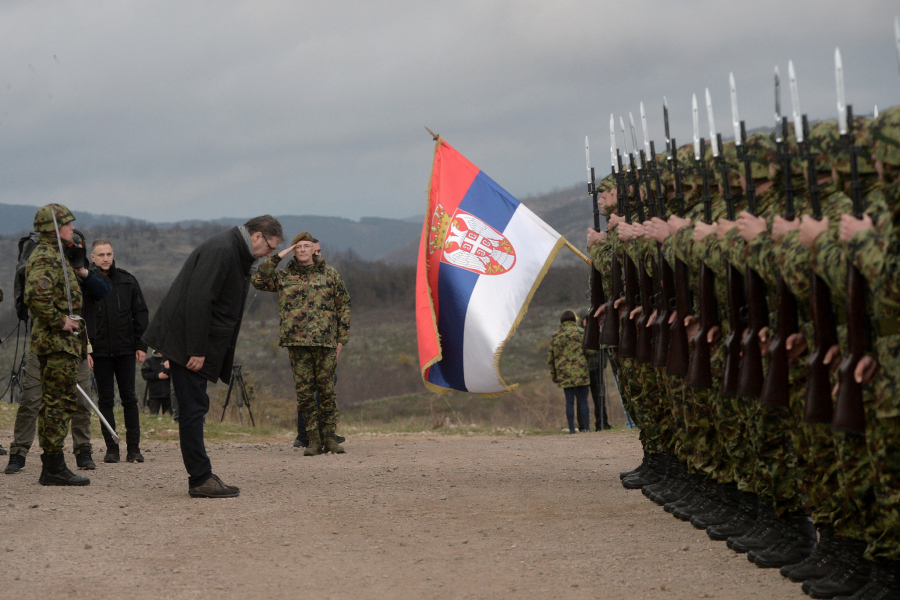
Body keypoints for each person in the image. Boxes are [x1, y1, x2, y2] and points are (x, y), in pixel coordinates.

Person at [143, 216, 283, 498]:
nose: (268, 254)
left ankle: (201, 475)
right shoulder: (223, 250)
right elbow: (199, 299)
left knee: (195, 407)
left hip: (191, 342)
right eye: (269, 247)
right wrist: (196, 349)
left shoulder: (233, 250)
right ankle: (200, 478)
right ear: (257, 236)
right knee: (193, 409)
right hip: (188, 344)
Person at [5, 230, 111, 475]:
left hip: (77, 346)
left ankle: (83, 450)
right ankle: (19, 451)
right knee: (31, 399)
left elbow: (104, 290)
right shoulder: (44, 266)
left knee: (82, 401)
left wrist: (81, 271)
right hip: (44, 344)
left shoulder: (85, 274)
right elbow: (29, 287)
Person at [252, 231, 350, 456]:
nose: (303, 250)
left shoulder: (329, 274)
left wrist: (341, 339)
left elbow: (344, 305)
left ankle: (330, 438)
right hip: (297, 343)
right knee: (305, 394)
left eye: (306, 246)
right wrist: (277, 257)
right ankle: (312, 440)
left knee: (327, 392)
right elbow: (258, 280)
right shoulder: (285, 277)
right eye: (298, 247)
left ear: (314, 249)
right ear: (293, 251)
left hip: (325, 342)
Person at [22, 204, 92, 486]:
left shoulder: (56, 254)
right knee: (57, 403)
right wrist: (60, 321)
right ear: (54, 228)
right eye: (68, 224)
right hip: (56, 344)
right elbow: (35, 297)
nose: (72, 229)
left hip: (63, 344)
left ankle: (53, 464)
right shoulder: (46, 256)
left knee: (59, 402)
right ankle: (53, 467)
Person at [84, 238, 149, 463]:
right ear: (92, 257)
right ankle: (112, 448)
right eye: (101, 255)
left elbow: (141, 314)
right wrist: (86, 350)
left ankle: (134, 449)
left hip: (125, 349)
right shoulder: (85, 283)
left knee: (129, 397)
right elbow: (81, 318)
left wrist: (141, 345)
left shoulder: (127, 281)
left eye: (109, 254)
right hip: (99, 351)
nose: (106, 259)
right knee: (105, 400)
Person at [547, 310, 590, 433]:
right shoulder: (581, 332)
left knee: (569, 401)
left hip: (564, 373)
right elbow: (590, 351)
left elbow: (551, 358)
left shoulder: (556, 336)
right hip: (581, 371)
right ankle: (586, 428)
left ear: (561, 321)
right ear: (574, 320)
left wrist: (555, 376)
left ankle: (571, 429)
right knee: (583, 401)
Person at [141, 349, 173, 415]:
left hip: (169, 395)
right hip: (154, 395)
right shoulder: (149, 361)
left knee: (169, 416)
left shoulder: (171, 361)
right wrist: (157, 375)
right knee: (153, 415)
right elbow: (145, 374)